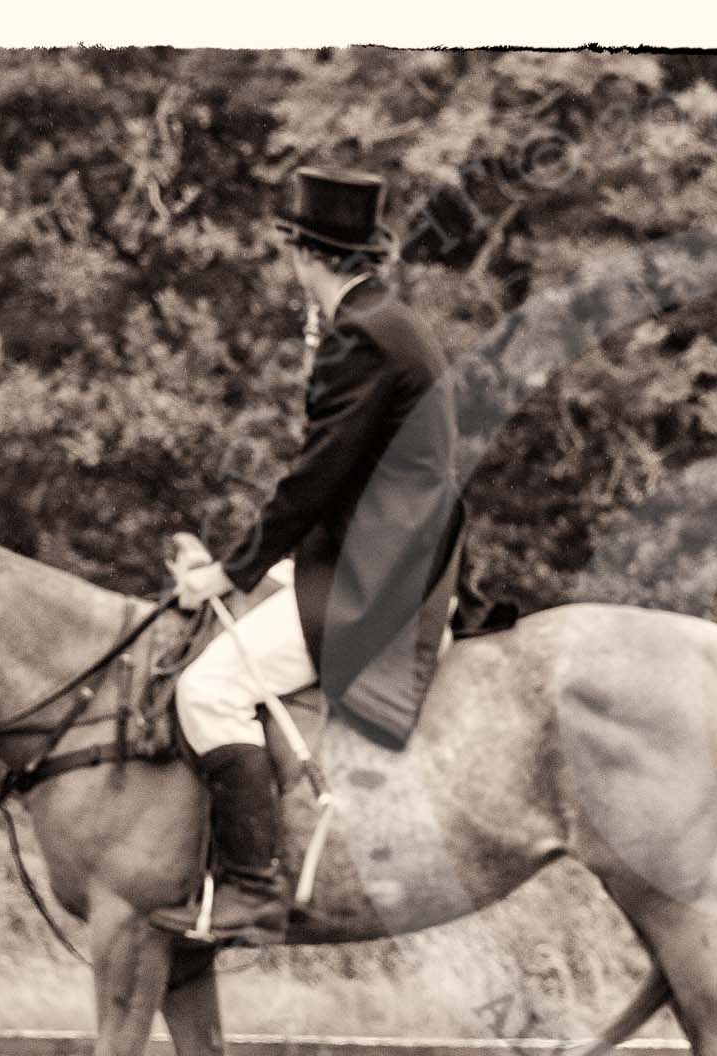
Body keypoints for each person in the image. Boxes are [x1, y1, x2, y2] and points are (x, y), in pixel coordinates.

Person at [151, 166, 466, 945]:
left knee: (208, 689)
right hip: (389, 547)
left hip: (379, 573)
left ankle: (254, 888)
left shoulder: (359, 335)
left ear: (302, 252)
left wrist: (231, 571)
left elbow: (312, 481)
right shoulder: (385, 318)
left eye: (288, 247)